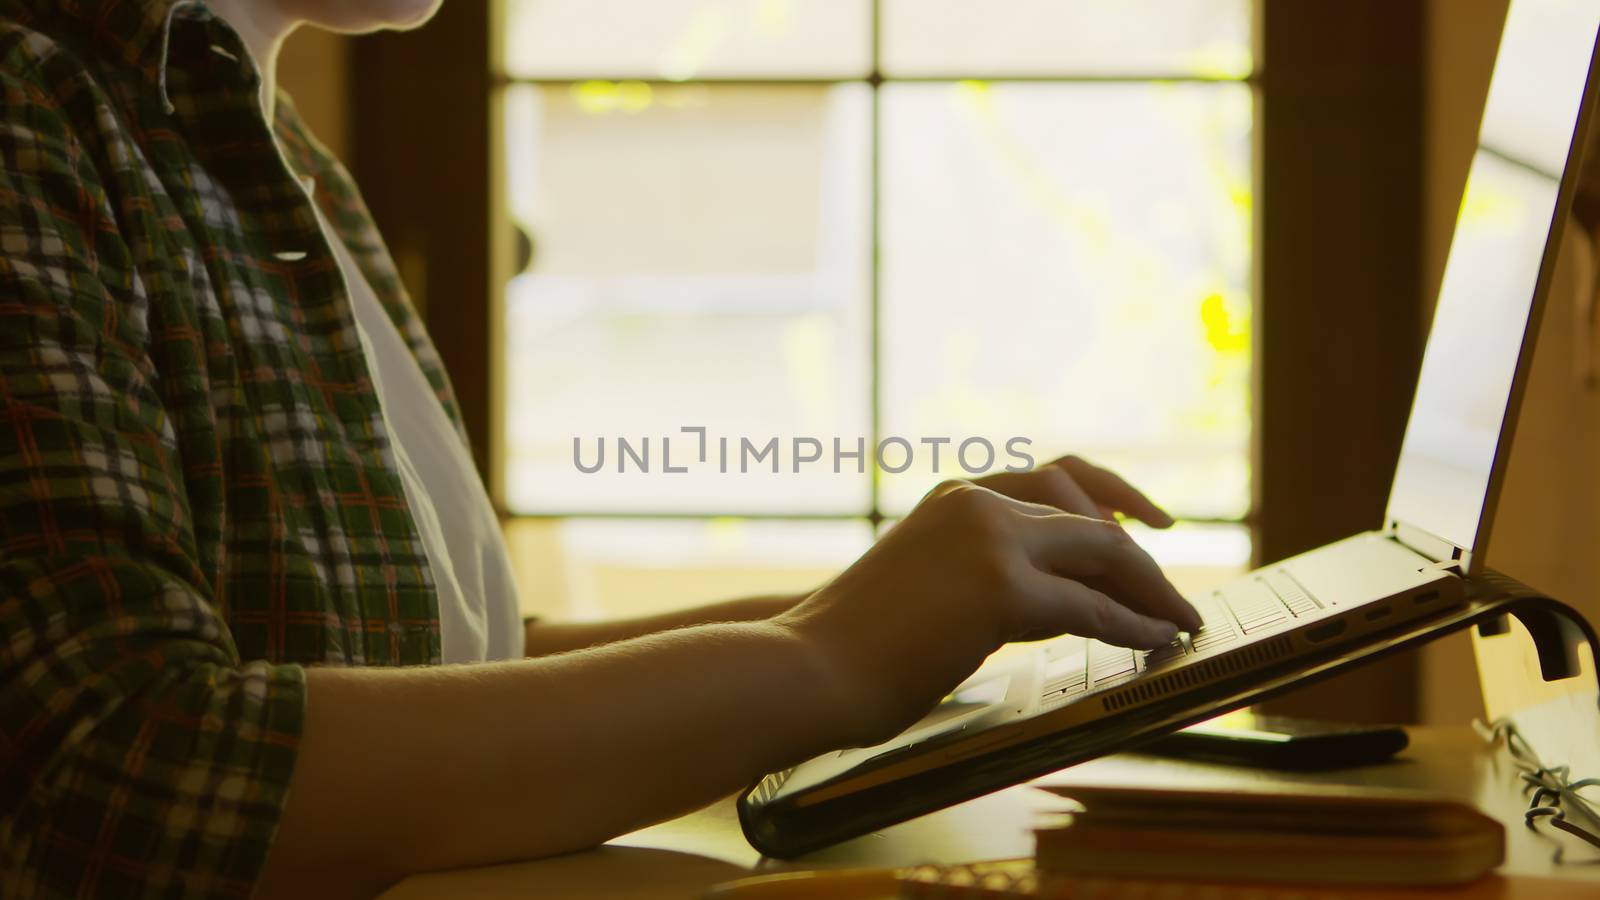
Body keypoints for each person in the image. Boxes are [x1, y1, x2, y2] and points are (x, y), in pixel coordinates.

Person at [0, 1, 1203, 897]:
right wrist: (827, 655)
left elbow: (450, 665)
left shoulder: (272, 153)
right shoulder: (29, 109)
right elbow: (121, 774)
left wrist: (897, 607)